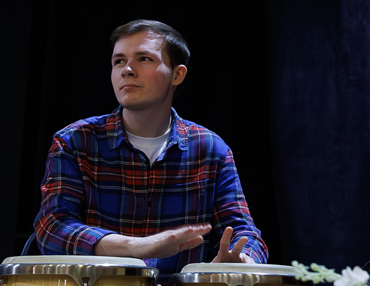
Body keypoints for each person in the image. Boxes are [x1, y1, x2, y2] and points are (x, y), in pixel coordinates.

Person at [34, 19, 268, 271]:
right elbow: (52, 227)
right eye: (119, 61)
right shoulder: (74, 141)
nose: (127, 70)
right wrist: (136, 247)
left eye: (144, 59)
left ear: (177, 74)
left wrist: (242, 258)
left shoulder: (211, 149)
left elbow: (244, 232)